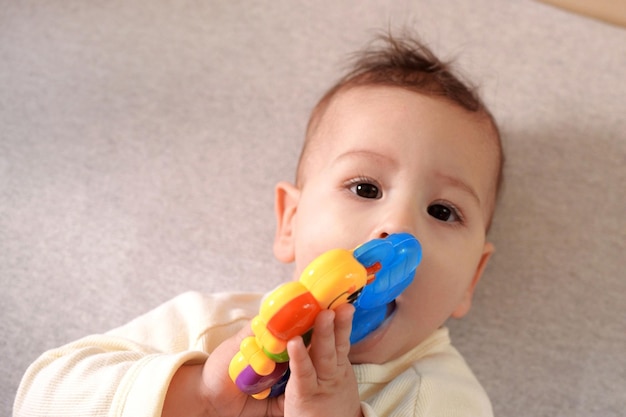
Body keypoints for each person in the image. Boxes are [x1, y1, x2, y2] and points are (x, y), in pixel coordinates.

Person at [14, 31, 504, 417]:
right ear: (290, 221)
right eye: (365, 188)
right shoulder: (211, 326)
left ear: (472, 280)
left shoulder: (447, 397)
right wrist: (199, 394)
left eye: (442, 211)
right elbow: (40, 396)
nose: (397, 229)